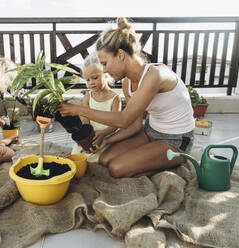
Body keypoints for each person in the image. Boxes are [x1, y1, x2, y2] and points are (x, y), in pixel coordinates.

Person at [59, 17, 195, 178]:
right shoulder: (127, 83)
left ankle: (176, 161)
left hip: (177, 140)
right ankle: (153, 159)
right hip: (150, 131)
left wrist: (79, 110)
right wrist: (106, 139)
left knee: (117, 169)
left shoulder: (155, 75)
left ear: (121, 55)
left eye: (105, 63)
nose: (105, 70)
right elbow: (134, 125)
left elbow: (123, 119)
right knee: (105, 159)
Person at [71, 52, 121, 163]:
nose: (91, 83)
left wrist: (103, 134)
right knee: (77, 155)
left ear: (106, 74)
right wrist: (86, 137)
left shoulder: (114, 98)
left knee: (102, 159)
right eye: (87, 80)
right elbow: (85, 119)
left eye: (95, 78)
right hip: (91, 136)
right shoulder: (88, 97)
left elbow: (116, 124)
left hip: (105, 137)